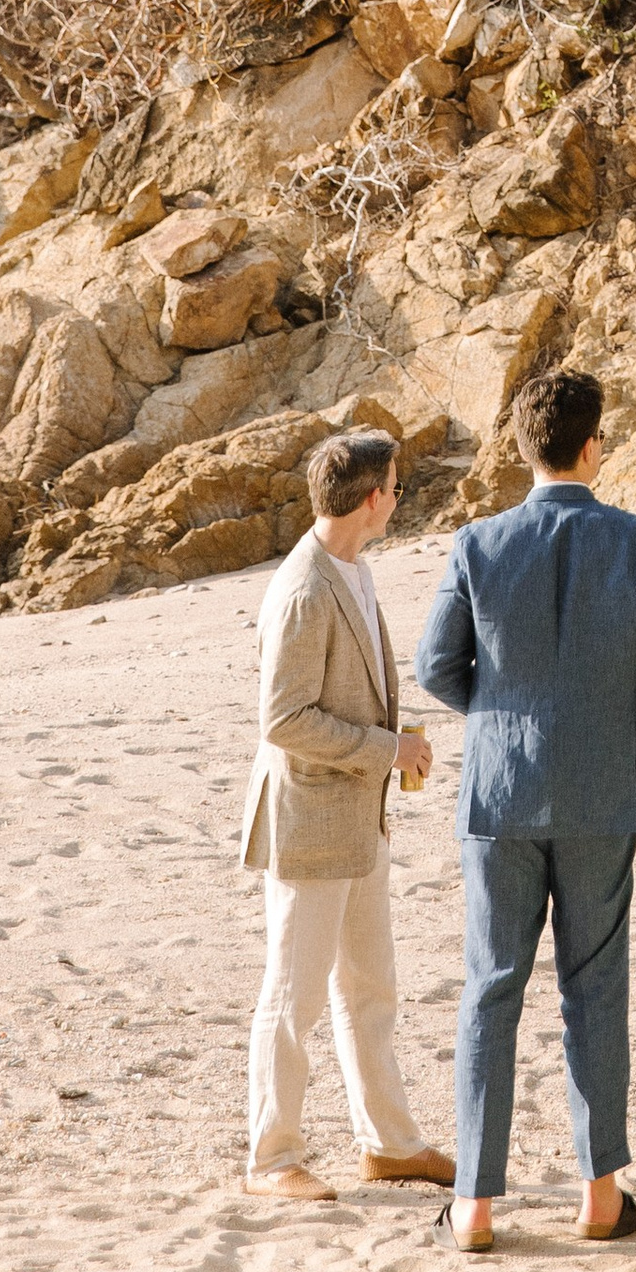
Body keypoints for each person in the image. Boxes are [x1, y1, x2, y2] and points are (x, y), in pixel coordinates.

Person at [415, 364, 636, 1253]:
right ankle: (600, 1194)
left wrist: (501, 712)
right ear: (594, 445)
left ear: (522, 446)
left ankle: (473, 1206)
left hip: (500, 793)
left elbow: (435, 666)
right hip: (599, 792)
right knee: (595, 990)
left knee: (490, 991)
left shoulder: (477, 543)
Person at [239, 426, 453, 1203]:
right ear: (372, 499)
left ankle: (389, 1145)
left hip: (357, 820)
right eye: (395, 486)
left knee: (370, 988)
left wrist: (385, 750)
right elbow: (284, 719)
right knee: (291, 997)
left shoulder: (349, 569)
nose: (398, 497)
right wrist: (385, 749)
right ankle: (271, 1158)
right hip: (310, 821)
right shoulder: (302, 587)